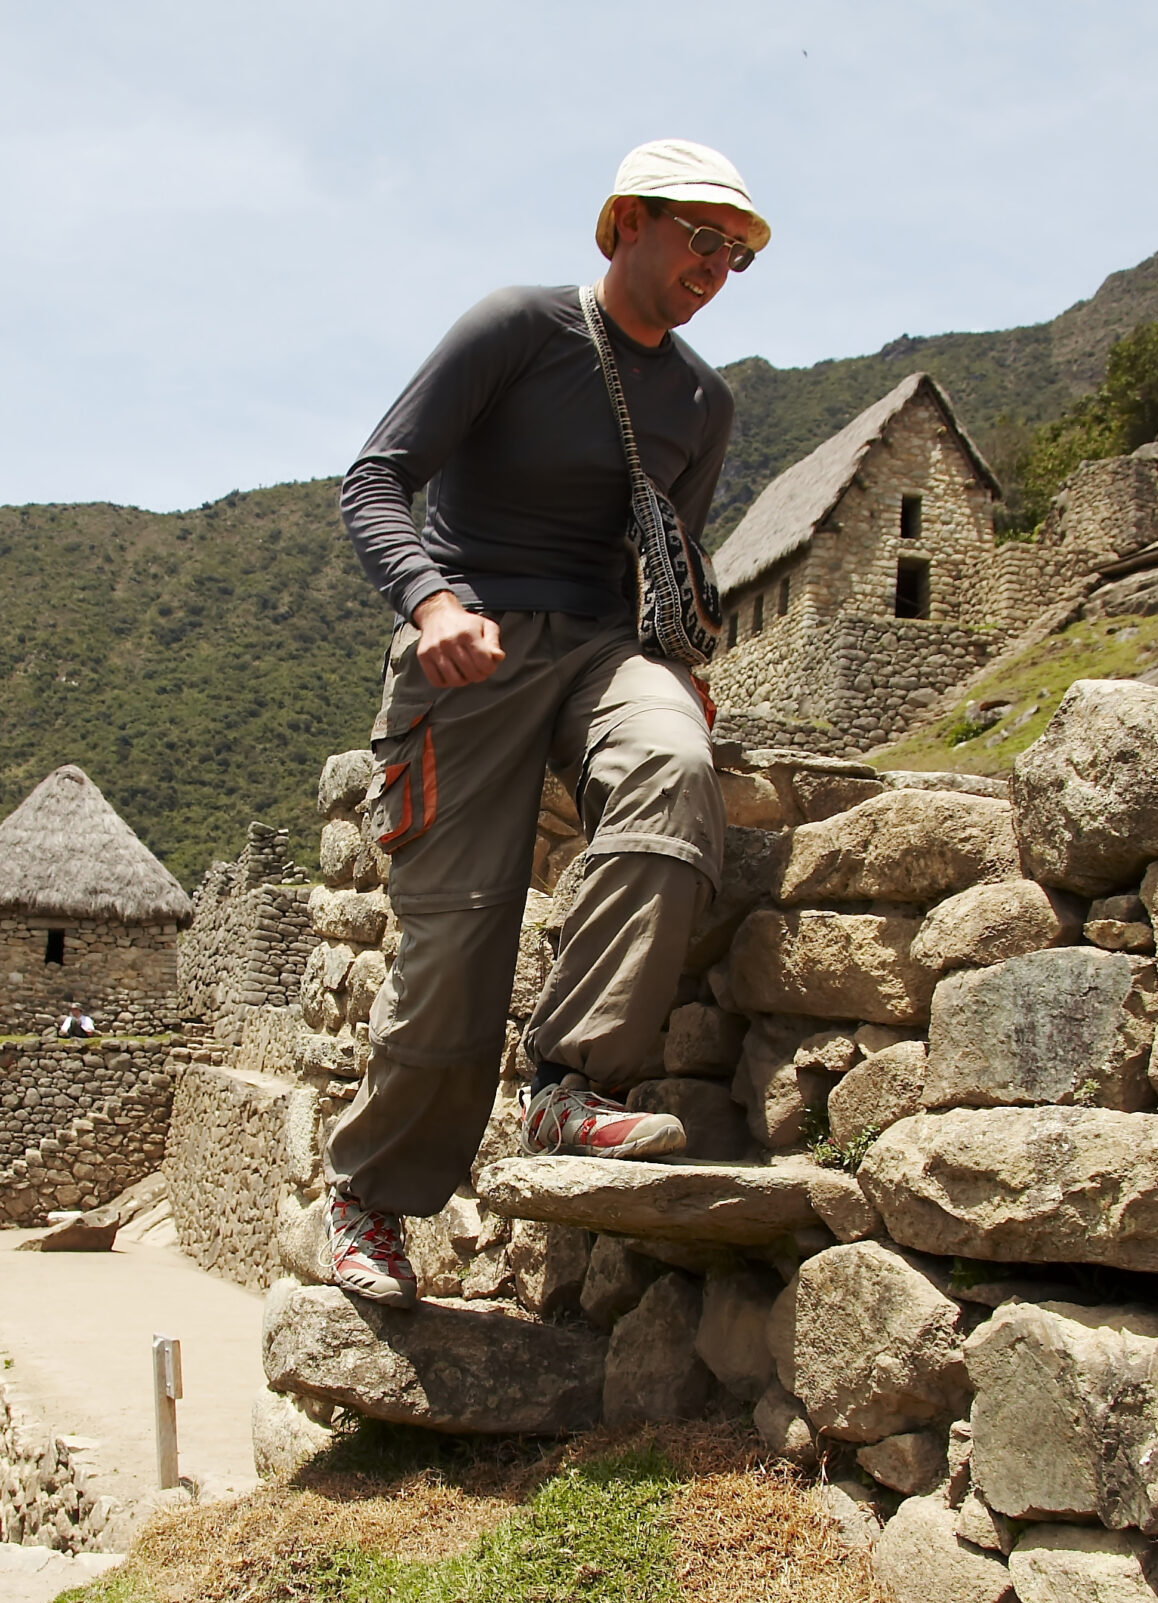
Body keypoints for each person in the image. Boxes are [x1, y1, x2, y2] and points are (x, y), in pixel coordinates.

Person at [320, 140, 767, 1308]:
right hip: (466, 653)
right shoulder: (517, 326)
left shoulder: (700, 400)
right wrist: (430, 603)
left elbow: (663, 556)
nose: (717, 265)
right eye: (699, 237)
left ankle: (574, 1082)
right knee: (456, 945)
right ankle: (369, 1197)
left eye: (738, 252)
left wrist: (675, 668)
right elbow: (372, 481)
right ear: (626, 223)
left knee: (674, 766)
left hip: (601, 647)